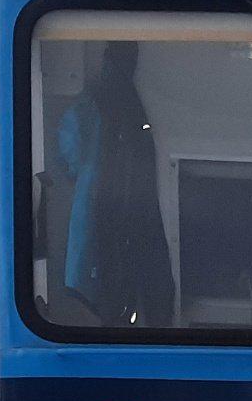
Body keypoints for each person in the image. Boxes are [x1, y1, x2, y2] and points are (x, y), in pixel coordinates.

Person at [54, 41, 176, 327]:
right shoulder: (134, 102)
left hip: (98, 215)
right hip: (128, 213)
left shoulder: (91, 102)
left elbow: (68, 157)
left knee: (107, 276)